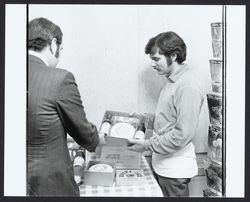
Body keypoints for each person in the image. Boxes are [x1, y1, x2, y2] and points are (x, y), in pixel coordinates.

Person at [27, 17, 99, 196]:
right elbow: (83, 133)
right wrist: (97, 139)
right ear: (53, 44)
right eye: (61, 48)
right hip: (50, 183)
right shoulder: (60, 78)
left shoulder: (8, 72)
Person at [128, 31, 204, 197]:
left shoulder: (187, 86)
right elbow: (169, 119)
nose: (153, 64)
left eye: (156, 59)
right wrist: (144, 118)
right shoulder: (172, 81)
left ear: (174, 55)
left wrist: (147, 145)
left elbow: (181, 134)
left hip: (174, 172)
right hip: (165, 167)